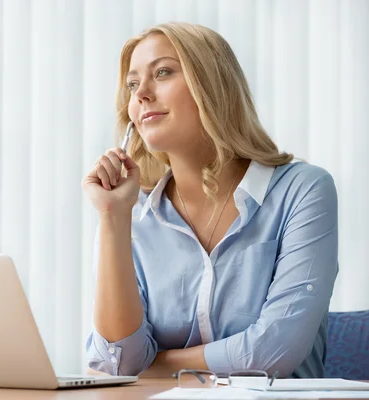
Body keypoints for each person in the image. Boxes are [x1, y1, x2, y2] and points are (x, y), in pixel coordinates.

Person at [81, 22, 338, 379]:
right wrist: (111, 215)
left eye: (163, 72)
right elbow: (117, 362)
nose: (141, 95)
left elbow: (273, 351)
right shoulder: (131, 211)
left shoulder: (303, 190)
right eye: (133, 84)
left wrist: (155, 365)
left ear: (212, 85)